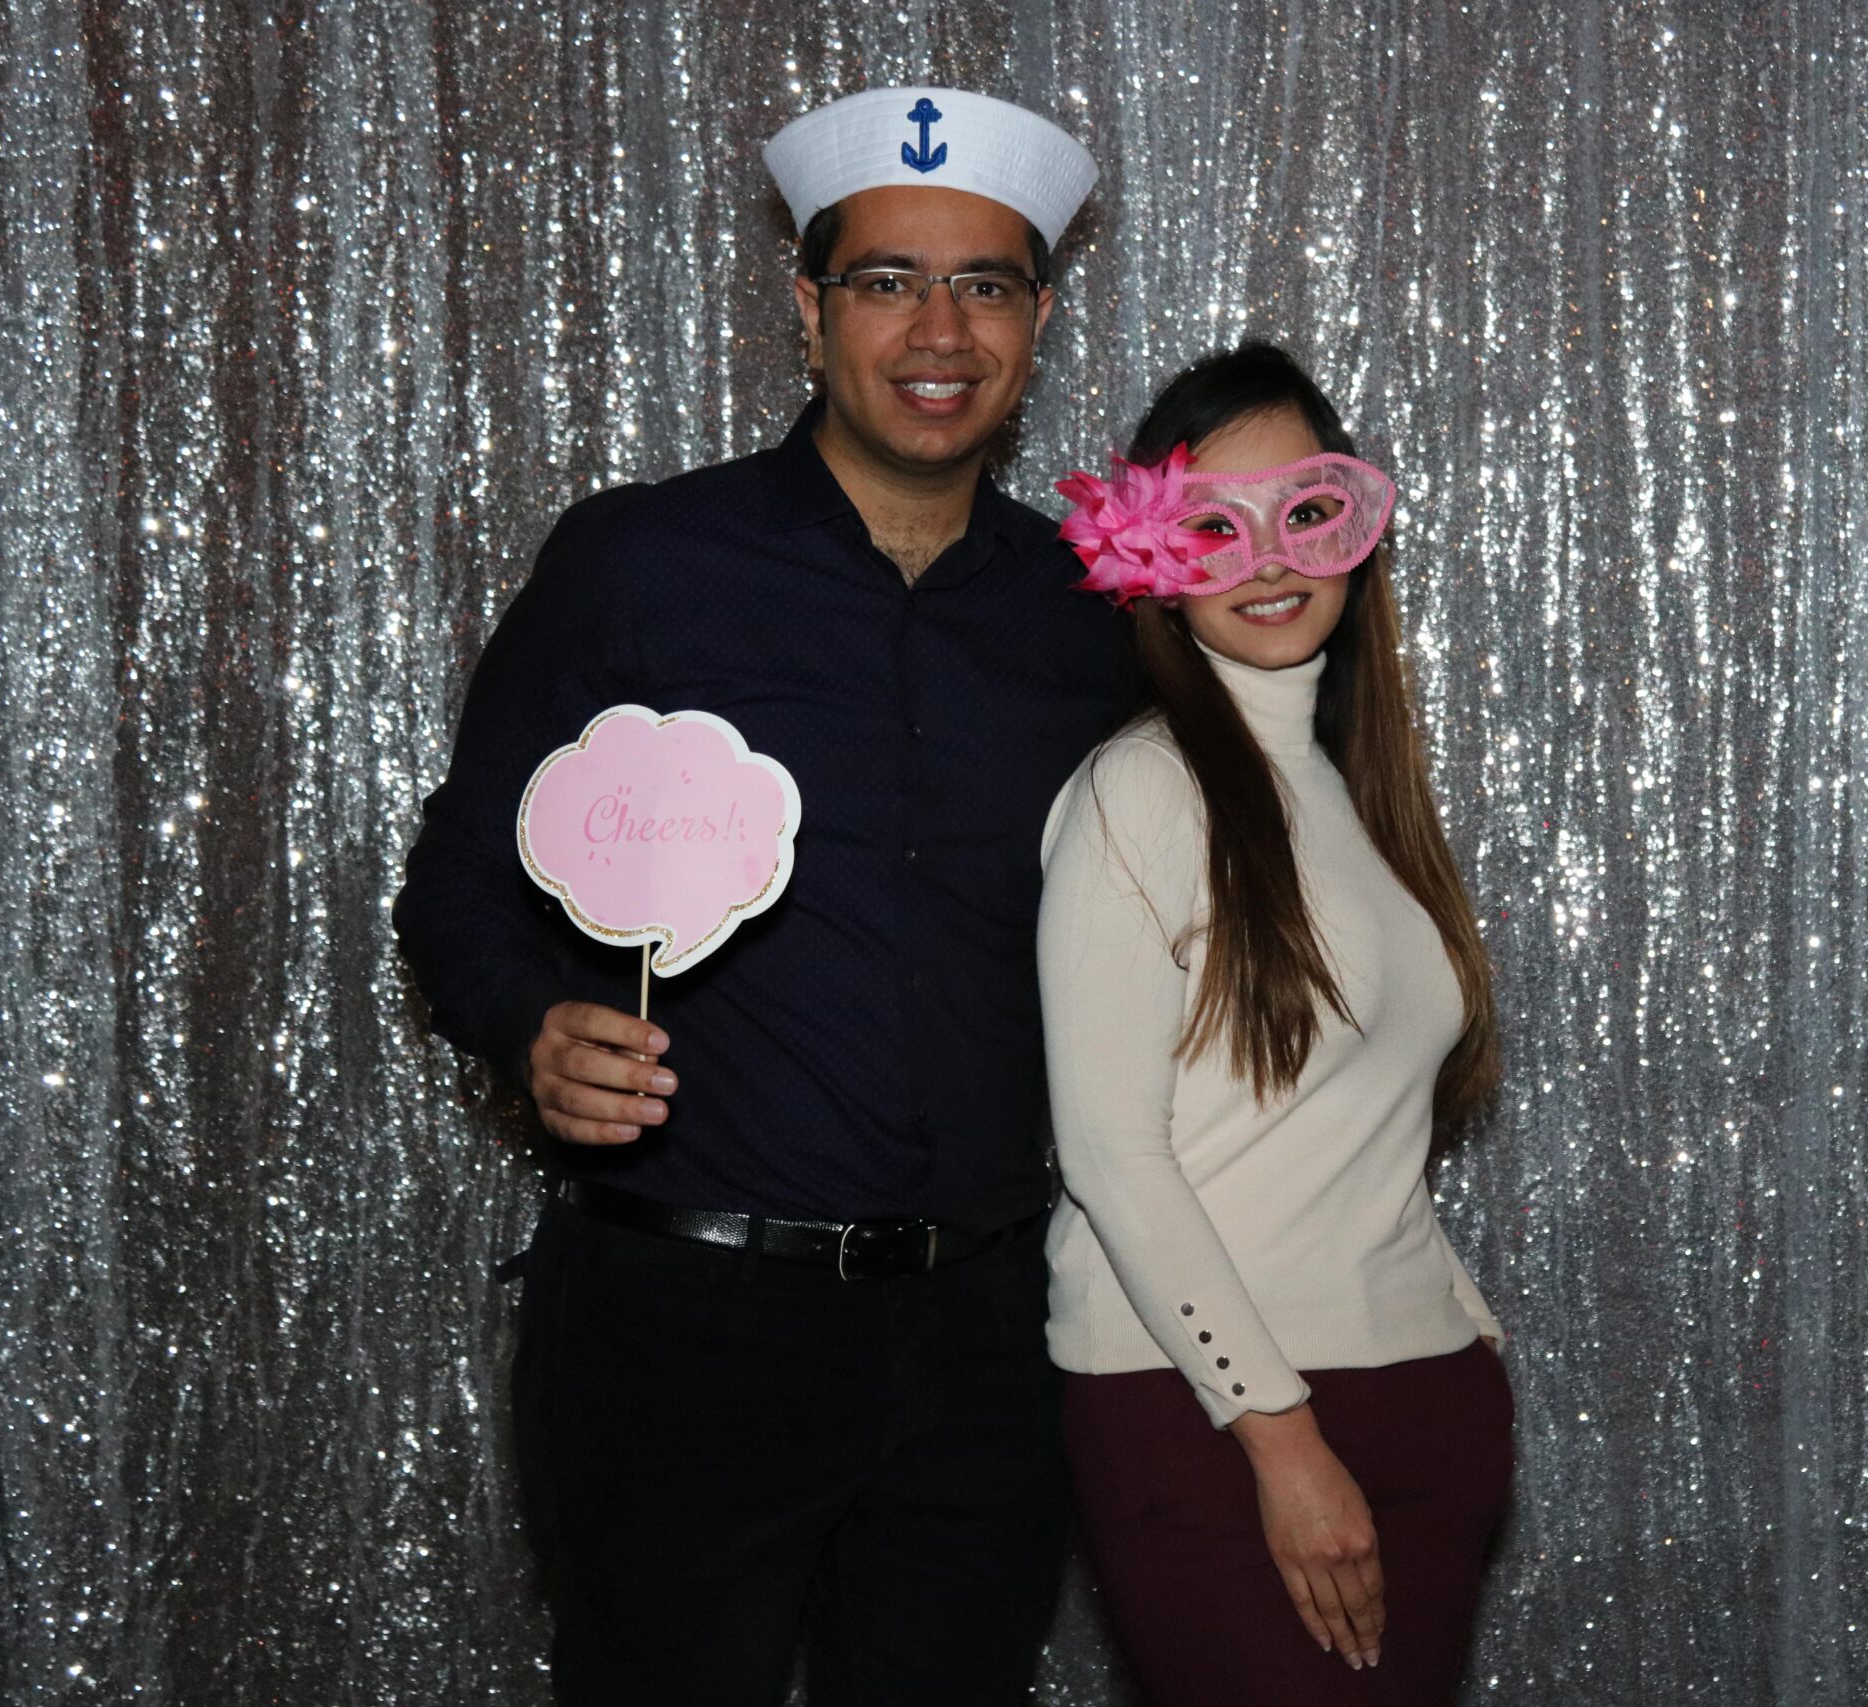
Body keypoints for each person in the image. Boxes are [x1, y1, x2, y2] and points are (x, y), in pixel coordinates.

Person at [391, 86, 1133, 1706]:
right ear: (809, 308)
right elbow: (458, 878)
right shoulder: (640, 562)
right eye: (886, 281)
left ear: (1038, 318)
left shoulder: (1094, 618)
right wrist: (532, 1025)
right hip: (682, 1327)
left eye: (985, 285)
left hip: (990, 1341)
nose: (937, 330)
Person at [1037, 343, 1512, 1706]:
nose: (1267, 559)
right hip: (1220, 1414)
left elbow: (1367, 1128)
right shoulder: (1140, 792)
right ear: (1151, 556)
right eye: (1213, 525)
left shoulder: (1357, 792)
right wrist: (1282, 1437)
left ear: (1354, 529)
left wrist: (1463, 1332)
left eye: (1303, 510)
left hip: (1413, 1395)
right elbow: (1113, 1156)